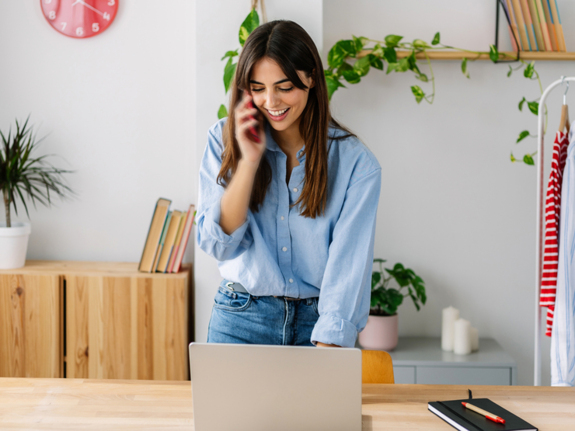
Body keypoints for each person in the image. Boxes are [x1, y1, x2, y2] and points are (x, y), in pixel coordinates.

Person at [196, 19, 381, 348]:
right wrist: (248, 161)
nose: (271, 101)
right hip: (240, 320)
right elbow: (218, 245)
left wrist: (328, 349)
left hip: (318, 325)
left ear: (311, 78)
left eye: (284, 87)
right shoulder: (221, 140)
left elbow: (348, 273)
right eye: (257, 87)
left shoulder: (356, 164)